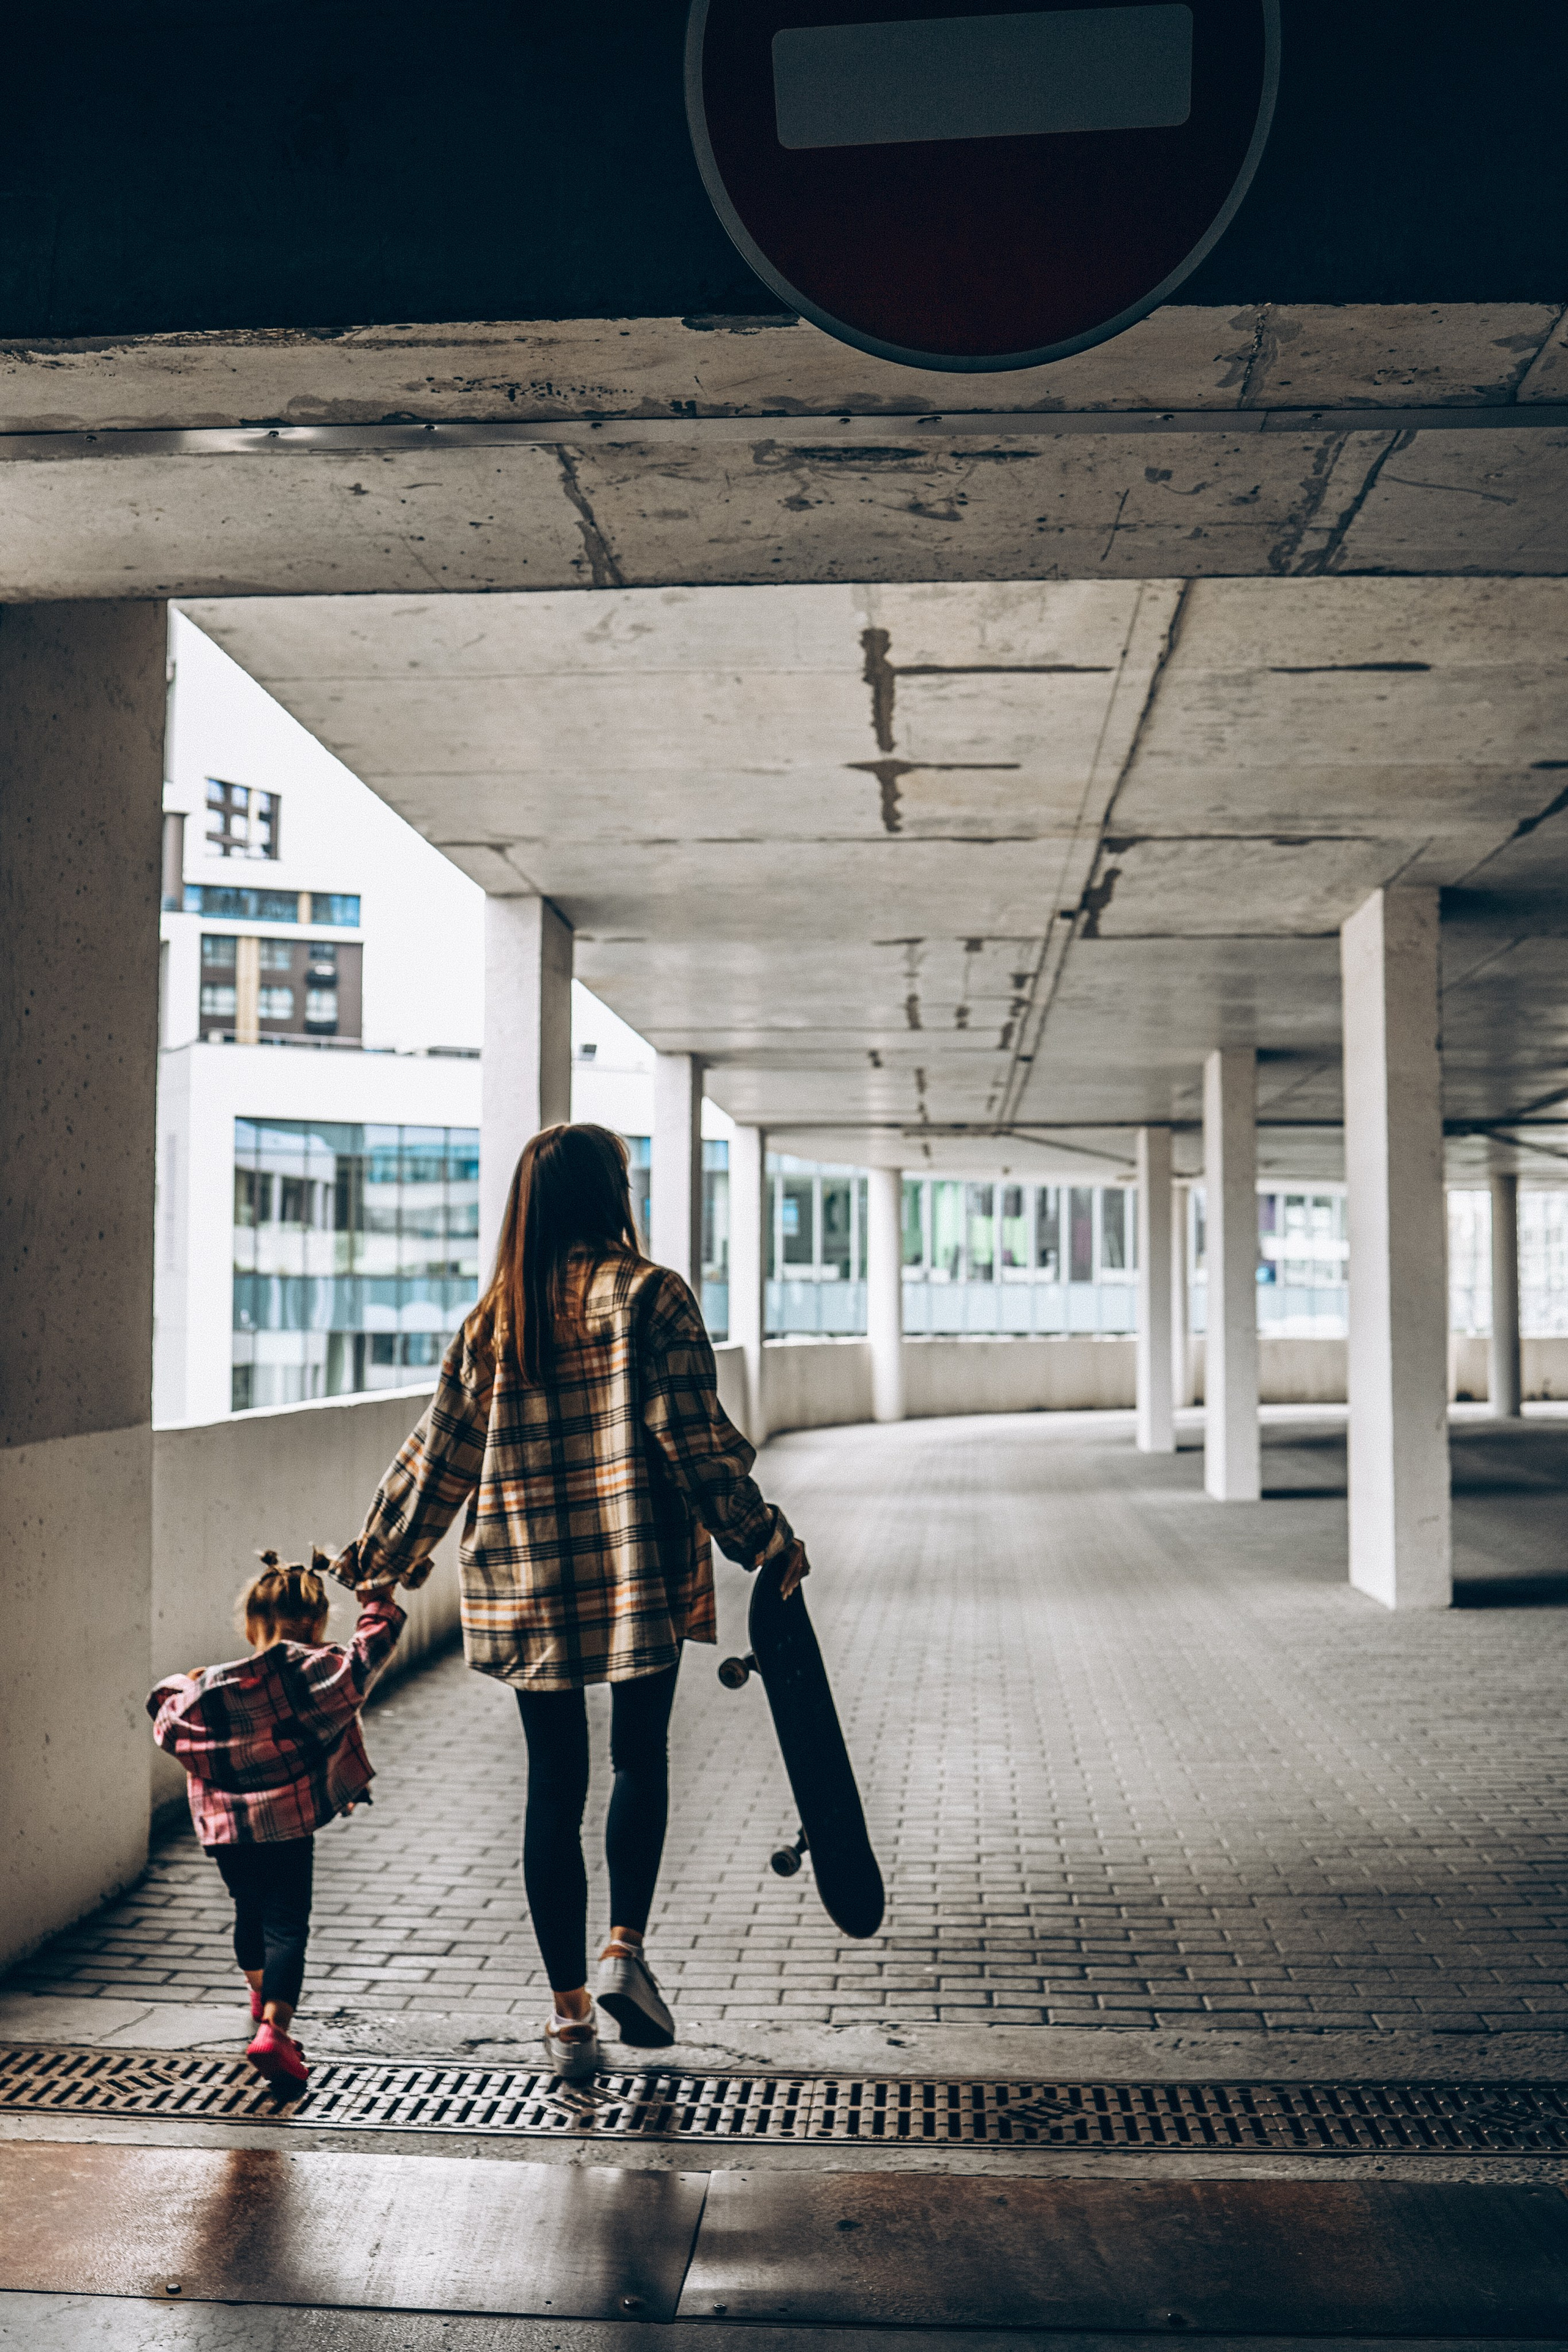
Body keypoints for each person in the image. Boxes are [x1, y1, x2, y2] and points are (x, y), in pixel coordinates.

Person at [330, 1121, 809, 2081]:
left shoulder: (495, 1318)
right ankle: (625, 1950)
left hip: (526, 1581)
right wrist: (763, 1539)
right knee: (640, 1756)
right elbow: (695, 1441)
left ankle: (568, 2016)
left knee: (554, 1787)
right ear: (609, 1195)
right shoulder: (652, 1297)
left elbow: (441, 1455)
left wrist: (379, 1559)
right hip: (634, 1570)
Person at [148, 1551, 405, 2089]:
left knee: (250, 1907)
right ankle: (274, 2031)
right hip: (287, 1827)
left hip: (225, 1834)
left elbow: (167, 1721)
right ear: (317, 1623)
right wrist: (376, 1596)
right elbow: (372, 1647)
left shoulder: (209, 1690)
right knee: (287, 1925)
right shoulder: (326, 1672)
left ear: (250, 1625)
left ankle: (258, 1991)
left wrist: (177, 1685)